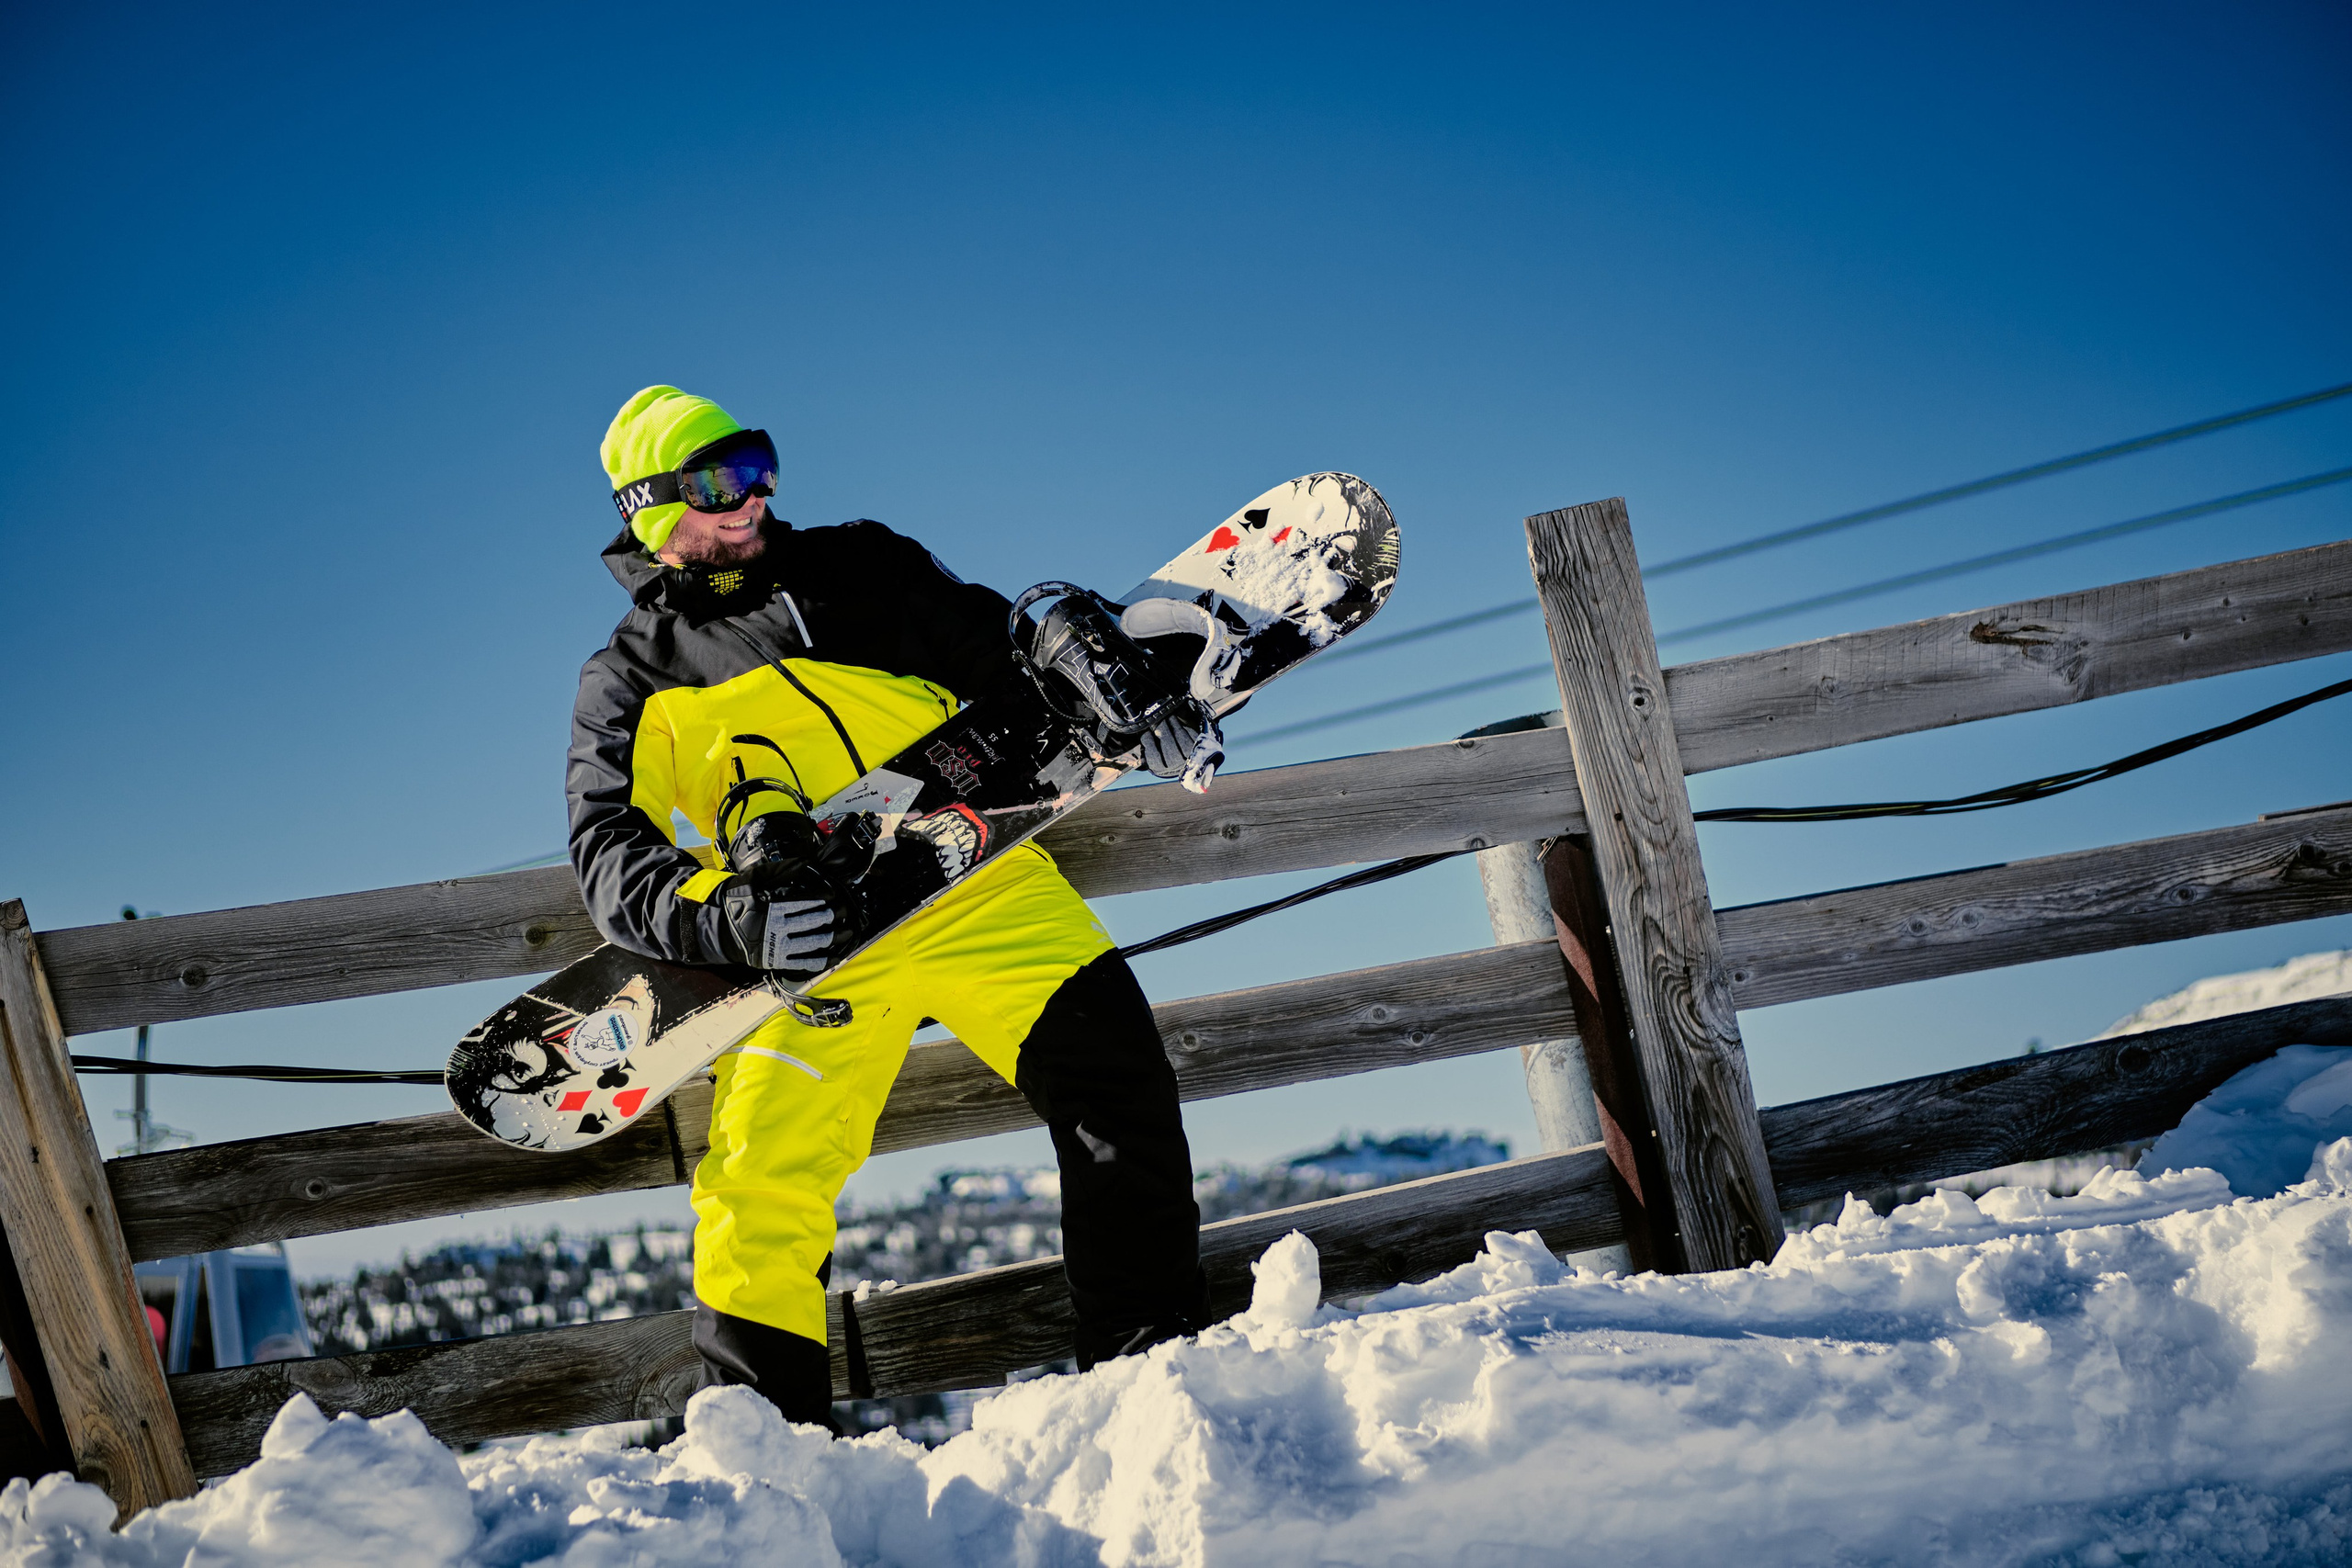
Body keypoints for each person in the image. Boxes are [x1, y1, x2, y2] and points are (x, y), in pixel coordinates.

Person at [568, 385, 1210, 1429]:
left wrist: (1110, 685)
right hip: (810, 944)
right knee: (758, 1191)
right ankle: (767, 1454)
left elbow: (1005, 663)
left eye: (760, 467)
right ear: (652, 507)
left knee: (1118, 1083)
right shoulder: (630, 679)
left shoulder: (861, 564)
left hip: (975, 879)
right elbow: (607, 849)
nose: (754, 498)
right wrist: (732, 922)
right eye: (720, 481)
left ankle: (1152, 1382)